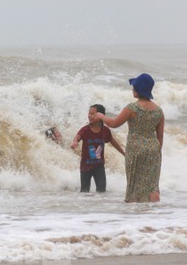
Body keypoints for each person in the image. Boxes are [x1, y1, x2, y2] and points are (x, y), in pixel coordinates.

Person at [96, 73, 164, 203]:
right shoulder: (159, 111)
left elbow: (114, 123)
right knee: (152, 185)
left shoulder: (132, 108)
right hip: (154, 149)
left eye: (134, 87)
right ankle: (155, 214)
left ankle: (133, 217)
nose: (132, 89)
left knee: (134, 185)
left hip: (135, 148)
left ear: (139, 89)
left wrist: (101, 116)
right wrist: (155, 151)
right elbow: (160, 136)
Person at [70, 104, 125, 193]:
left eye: (93, 114)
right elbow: (77, 136)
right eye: (89, 113)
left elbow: (113, 142)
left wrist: (124, 153)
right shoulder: (85, 129)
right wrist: (75, 142)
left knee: (102, 191)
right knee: (84, 191)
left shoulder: (105, 130)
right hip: (85, 166)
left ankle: (100, 206)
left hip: (99, 166)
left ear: (101, 116)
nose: (90, 116)